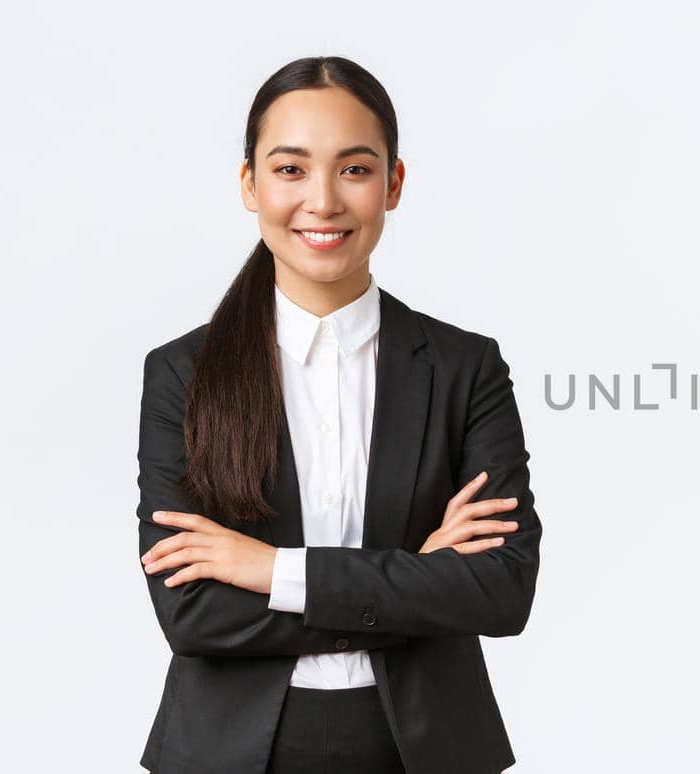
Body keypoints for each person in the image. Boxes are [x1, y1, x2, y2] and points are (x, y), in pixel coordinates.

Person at [134, 55, 542, 774]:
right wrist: (414, 579)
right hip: (229, 749)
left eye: (353, 169)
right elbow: (194, 616)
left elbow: (499, 590)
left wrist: (271, 570)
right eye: (291, 169)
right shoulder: (183, 375)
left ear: (394, 184)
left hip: (425, 746)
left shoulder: (462, 368)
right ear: (249, 183)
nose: (321, 200)